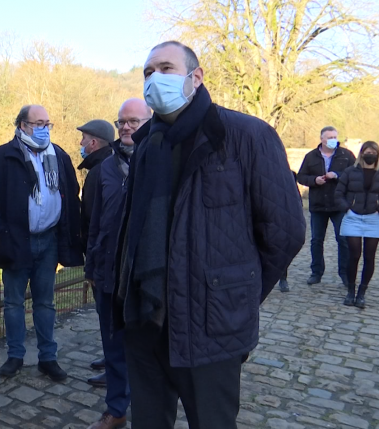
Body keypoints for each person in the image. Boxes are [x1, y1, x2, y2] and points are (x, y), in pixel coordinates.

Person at [114, 41, 305, 429]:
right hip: (143, 317)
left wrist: (234, 294)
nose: (154, 79)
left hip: (209, 325)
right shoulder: (147, 143)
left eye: (165, 68)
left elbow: (285, 232)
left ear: (195, 77)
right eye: (148, 72)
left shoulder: (245, 135)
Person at [0, 104, 83, 382]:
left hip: (49, 241)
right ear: (22, 125)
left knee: (46, 303)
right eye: (38, 123)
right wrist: (3, 233)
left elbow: (71, 192)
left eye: (48, 123)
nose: (44, 129)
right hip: (16, 242)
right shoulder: (0, 157)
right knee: (13, 303)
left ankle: (48, 357)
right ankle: (15, 356)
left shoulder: (58, 155)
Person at [84, 98, 150, 429]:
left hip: (145, 278)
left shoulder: (159, 165)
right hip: (109, 274)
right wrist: (92, 269)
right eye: (121, 122)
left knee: (147, 349)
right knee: (113, 345)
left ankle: (150, 409)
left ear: (149, 123)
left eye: (133, 122)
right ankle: (116, 410)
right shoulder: (104, 170)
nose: (125, 127)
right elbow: (95, 222)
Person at [335, 141, 379, 308]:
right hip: (353, 217)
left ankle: (362, 293)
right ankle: (350, 291)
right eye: (367, 151)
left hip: (374, 218)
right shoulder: (350, 171)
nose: (370, 154)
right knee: (354, 255)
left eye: (373, 152)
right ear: (361, 153)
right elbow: (339, 193)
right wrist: (347, 208)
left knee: (370, 257)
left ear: (377, 154)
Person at [76, 119, 115, 376]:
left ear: (93, 142)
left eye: (83, 139)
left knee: (107, 314)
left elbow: (92, 218)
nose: (80, 145)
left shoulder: (100, 171)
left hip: (101, 254)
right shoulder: (106, 166)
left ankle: (114, 365)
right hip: (103, 253)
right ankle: (111, 357)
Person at [297, 126, 356, 286]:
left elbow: (355, 174)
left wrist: (337, 175)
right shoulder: (311, 156)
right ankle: (316, 272)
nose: (333, 140)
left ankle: (344, 273)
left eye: (335, 137)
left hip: (339, 205)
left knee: (343, 240)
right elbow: (301, 176)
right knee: (316, 240)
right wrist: (314, 180)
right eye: (329, 137)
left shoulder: (346, 155)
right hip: (318, 205)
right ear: (322, 139)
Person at [279, 170, 301, 293]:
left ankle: (283, 277)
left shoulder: (290, 174)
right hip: (263, 214)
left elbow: (295, 196)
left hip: (284, 216)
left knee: (283, 248)